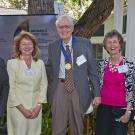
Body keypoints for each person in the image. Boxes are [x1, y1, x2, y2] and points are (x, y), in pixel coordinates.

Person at [47, 15, 101, 135]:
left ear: (72, 28)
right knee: (57, 128)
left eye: (67, 26)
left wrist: (97, 94)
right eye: (61, 27)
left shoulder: (85, 44)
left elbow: (92, 71)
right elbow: (49, 68)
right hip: (59, 88)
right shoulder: (53, 46)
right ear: (57, 29)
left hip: (78, 89)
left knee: (77, 126)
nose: (64, 30)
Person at [7, 31, 48, 135]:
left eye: (30, 43)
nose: (27, 46)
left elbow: (43, 85)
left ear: (34, 46)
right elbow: (10, 90)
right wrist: (23, 110)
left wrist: (38, 106)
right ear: (18, 47)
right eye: (23, 44)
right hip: (18, 109)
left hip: (35, 109)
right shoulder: (12, 63)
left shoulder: (40, 63)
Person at [95, 29, 135, 135]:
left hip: (121, 109)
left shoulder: (129, 65)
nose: (112, 45)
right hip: (103, 108)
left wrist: (128, 112)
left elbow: (130, 90)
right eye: (109, 42)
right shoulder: (102, 64)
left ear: (120, 44)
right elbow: (97, 86)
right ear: (106, 46)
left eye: (115, 42)